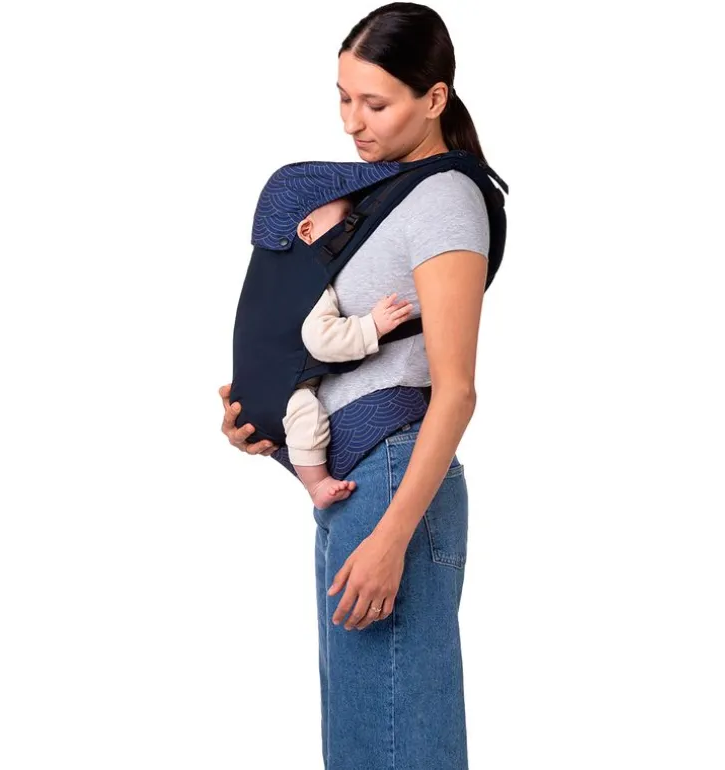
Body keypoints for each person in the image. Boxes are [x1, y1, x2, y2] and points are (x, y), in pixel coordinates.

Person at [220, 3, 492, 768]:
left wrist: (392, 537)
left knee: (395, 735)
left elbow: (457, 389)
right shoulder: (380, 195)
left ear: (434, 98)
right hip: (357, 483)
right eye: (343, 97)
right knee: (364, 737)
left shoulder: (444, 198)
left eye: (374, 103)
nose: (351, 122)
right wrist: (268, 415)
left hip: (395, 481)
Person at [284, 195, 415, 509]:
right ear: (307, 231)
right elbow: (320, 339)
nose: (354, 225)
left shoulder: (288, 277)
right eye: (346, 218)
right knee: (305, 412)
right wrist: (372, 326)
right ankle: (316, 483)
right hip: (288, 384)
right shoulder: (310, 281)